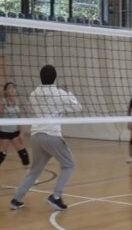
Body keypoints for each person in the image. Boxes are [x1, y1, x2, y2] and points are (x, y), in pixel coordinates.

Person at [9, 65, 82, 211]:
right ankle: (55, 197)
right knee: (69, 165)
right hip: (51, 135)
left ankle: (16, 199)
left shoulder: (34, 94)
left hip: (36, 135)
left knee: (34, 170)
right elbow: (77, 107)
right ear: (55, 77)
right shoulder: (60, 93)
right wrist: (69, 93)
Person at [0, 82, 30, 187]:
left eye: (13, 88)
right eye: (9, 88)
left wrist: (21, 132)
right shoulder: (1, 103)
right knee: (1, 156)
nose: (12, 89)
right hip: (4, 133)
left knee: (23, 153)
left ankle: (29, 176)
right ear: (5, 91)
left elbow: (20, 119)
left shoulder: (18, 102)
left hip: (15, 132)